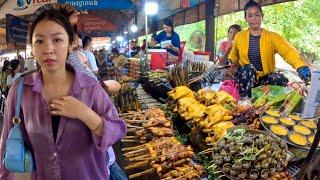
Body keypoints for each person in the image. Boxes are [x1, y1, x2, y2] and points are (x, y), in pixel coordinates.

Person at [0, 8, 126, 179]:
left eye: (57, 40)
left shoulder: (90, 87)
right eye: (39, 41)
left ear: (71, 43)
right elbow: (6, 147)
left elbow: (117, 131)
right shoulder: (20, 91)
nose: (48, 49)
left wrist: (85, 114)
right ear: (32, 47)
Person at [226, 1, 311, 97]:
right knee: (248, 68)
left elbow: (288, 51)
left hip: (264, 78)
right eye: (250, 16)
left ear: (262, 16)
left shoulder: (272, 37)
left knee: (281, 79)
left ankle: (267, 103)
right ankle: (245, 101)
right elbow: (234, 53)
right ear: (245, 18)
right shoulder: (239, 36)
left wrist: (300, 66)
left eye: (257, 15)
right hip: (246, 78)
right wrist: (229, 61)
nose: (254, 18)